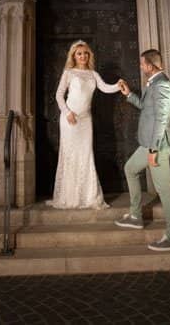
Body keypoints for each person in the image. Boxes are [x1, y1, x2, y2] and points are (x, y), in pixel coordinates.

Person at [114, 48, 170, 251]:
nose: (141, 67)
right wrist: (130, 95)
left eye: (142, 64)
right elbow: (146, 106)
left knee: (164, 190)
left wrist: (153, 149)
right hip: (149, 143)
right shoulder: (153, 84)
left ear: (150, 66)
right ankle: (135, 216)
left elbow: (161, 120)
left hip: (157, 145)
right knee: (130, 169)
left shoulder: (163, 86)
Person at [48, 40, 123, 209]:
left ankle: (89, 197)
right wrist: (67, 113)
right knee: (70, 155)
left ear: (89, 55)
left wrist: (118, 85)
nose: (83, 56)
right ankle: (70, 197)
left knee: (86, 155)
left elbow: (105, 88)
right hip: (70, 119)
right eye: (79, 53)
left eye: (85, 53)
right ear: (74, 56)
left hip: (85, 120)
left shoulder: (93, 74)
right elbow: (59, 95)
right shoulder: (69, 72)